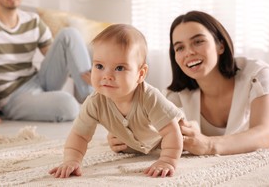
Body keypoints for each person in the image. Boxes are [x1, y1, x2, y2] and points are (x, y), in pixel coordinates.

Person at [108, 0, 269, 156]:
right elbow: (164, 135)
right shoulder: (178, 96)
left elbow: (264, 135)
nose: (189, 52)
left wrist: (209, 145)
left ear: (220, 45)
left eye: (198, 41)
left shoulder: (257, 71)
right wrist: (131, 141)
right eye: (180, 47)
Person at [49, 24, 184, 178]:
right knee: (120, 144)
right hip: (138, 142)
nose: (107, 76)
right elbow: (79, 135)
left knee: (187, 140)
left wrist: (167, 160)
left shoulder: (150, 97)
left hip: (173, 133)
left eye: (119, 68)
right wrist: (71, 160)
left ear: (141, 74)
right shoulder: (94, 102)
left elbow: (171, 132)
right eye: (99, 66)